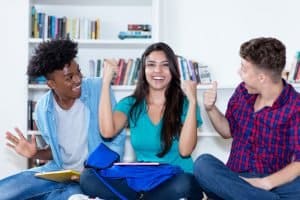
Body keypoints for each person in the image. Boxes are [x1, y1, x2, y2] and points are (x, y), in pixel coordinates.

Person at [0, 39, 126, 199]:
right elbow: (57, 152)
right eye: (69, 77)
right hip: (57, 172)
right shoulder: (43, 109)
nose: (78, 79)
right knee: (6, 191)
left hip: (89, 178)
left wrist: (92, 175)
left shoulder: (98, 88)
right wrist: (35, 153)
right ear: (51, 84)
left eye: (78, 72)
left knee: (65, 197)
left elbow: (117, 140)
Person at [80, 42, 204, 199]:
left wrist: (193, 101)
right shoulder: (131, 104)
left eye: (165, 65)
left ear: (173, 70)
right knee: (88, 178)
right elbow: (106, 131)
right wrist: (105, 83)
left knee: (186, 183)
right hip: (142, 181)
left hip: (174, 180)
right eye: (151, 65)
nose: (157, 70)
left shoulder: (185, 104)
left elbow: (185, 150)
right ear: (143, 70)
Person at [194, 37, 300, 200]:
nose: (238, 71)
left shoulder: (295, 105)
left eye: (244, 68)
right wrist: (211, 108)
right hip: (237, 178)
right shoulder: (242, 93)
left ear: (262, 78)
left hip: (275, 182)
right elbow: (227, 131)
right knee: (203, 164)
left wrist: (265, 183)